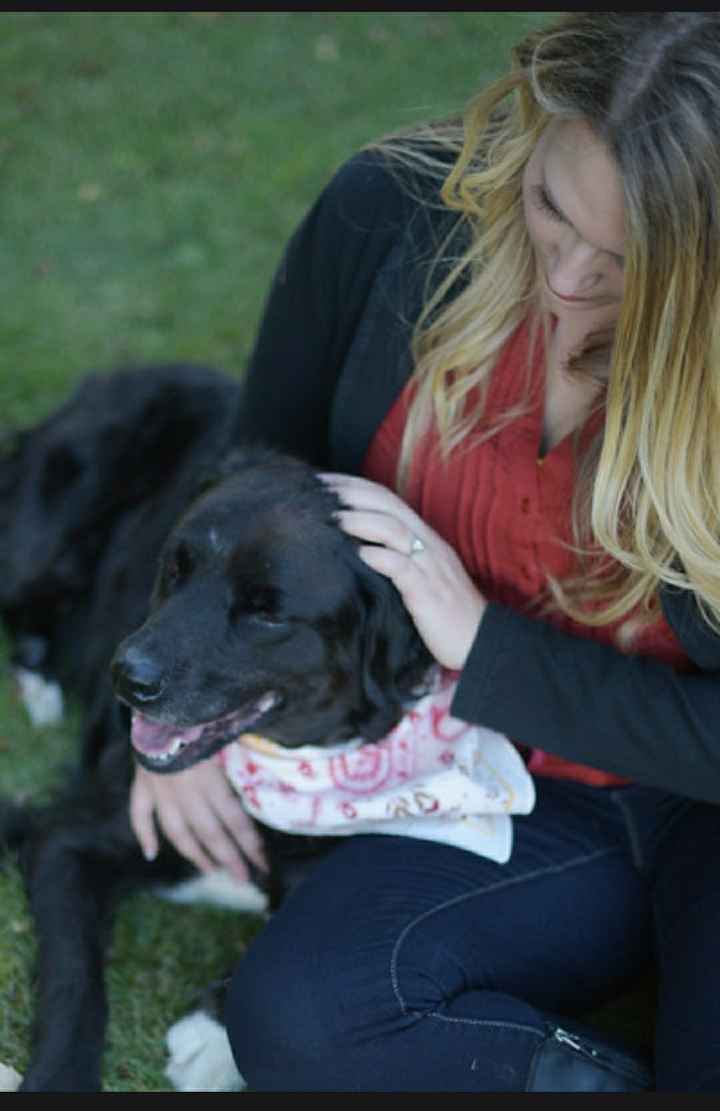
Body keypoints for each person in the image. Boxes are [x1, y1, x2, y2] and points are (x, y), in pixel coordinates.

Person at [130, 13, 720, 1092]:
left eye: (631, 261)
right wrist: (180, 719)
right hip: (479, 787)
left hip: (695, 797)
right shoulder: (392, 211)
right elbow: (259, 466)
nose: (571, 280)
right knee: (305, 1016)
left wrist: (486, 643)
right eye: (552, 207)